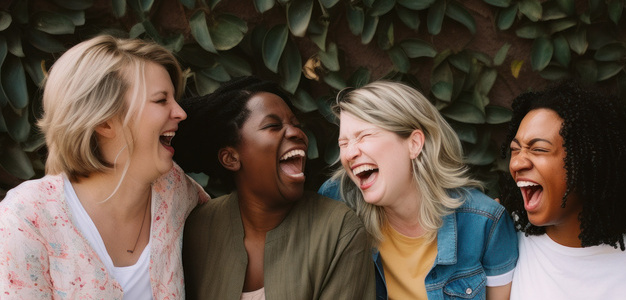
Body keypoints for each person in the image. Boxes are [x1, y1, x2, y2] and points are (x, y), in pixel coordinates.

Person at [0, 35, 209, 298]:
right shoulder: (26, 219)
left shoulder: (176, 193)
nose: (181, 112)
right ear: (105, 122)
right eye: (160, 100)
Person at [172, 76, 375, 299]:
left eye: (296, 125)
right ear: (230, 158)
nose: (296, 133)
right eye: (273, 126)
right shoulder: (198, 229)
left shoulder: (338, 229)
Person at [318, 81, 518, 300]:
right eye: (343, 143)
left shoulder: (484, 224)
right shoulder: (336, 203)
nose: (349, 154)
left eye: (364, 136)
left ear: (414, 144)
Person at [500, 81, 626, 299]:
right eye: (515, 150)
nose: (517, 164)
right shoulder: (504, 236)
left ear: (590, 161)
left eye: (539, 149)